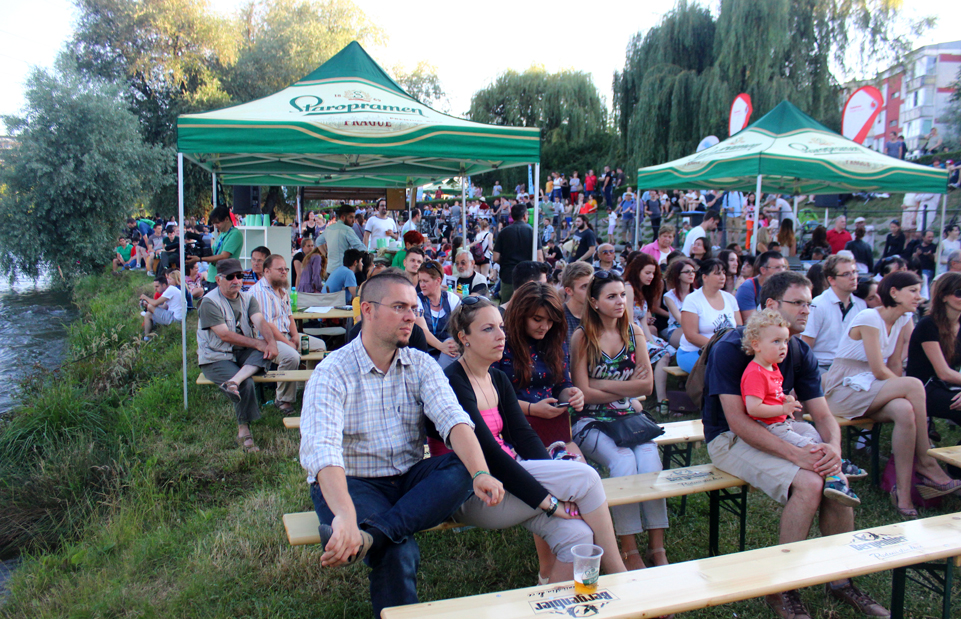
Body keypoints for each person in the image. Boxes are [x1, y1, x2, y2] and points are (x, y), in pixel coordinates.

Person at [299, 271, 504, 618]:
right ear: (368, 310)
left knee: (463, 467)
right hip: (353, 481)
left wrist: (481, 472)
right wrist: (345, 514)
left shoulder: (420, 363)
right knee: (399, 552)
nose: (411, 316)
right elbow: (323, 451)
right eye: (399, 307)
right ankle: (377, 534)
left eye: (413, 308)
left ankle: (371, 535)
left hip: (407, 477)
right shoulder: (332, 371)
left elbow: (454, 420)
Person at [702, 271, 889, 619]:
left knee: (833, 475)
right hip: (728, 438)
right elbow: (738, 422)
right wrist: (797, 456)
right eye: (799, 303)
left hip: (780, 427)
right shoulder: (733, 348)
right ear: (772, 305)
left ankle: (840, 579)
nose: (807, 310)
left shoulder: (798, 349)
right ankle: (783, 587)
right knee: (810, 482)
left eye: (810, 303)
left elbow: (823, 413)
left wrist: (834, 449)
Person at [437, 296, 629, 585]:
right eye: (488, 329)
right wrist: (549, 501)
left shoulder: (497, 378)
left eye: (501, 327)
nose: (500, 335)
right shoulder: (453, 381)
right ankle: (621, 578)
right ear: (464, 337)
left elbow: (524, 437)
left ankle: (551, 601)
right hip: (472, 490)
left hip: (509, 478)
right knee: (587, 478)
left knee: (578, 536)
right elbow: (488, 453)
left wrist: (554, 480)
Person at [822, 271, 961, 517]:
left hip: (871, 388)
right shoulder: (869, 317)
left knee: (905, 409)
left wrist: (902, 393)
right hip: (843, 390)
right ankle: (926, 461)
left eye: (919, 290)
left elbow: (895, 364)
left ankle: (903, 494)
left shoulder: (903, 319)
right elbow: (879, 369)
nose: (919, 296)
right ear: (894, 292)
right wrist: (906, 388)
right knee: (914, 386)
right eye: (913, 291)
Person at [569, 271, 669, 570]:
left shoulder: (634, 332)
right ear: (594, 302)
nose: (620, 302)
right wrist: (625, 388)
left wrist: (601, 383)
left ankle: (657, 547)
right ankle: (629, 548)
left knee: (650, 460)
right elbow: (583, 393)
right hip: (590, 420)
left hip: (628, 417)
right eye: (611, 296)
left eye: (622, 295)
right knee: (624, 461)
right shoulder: (582, 337)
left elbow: (646, 387)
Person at [742, 309, 860, 506]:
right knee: (808, 448)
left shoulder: (772, 367)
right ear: (756, 345)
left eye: (785, 341)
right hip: (769, 428)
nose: (783, 347)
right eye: (776, 341)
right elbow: (753, 408)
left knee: (810, 431)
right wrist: (782, 410)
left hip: (782, 423)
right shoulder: (756, 373)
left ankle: (833, 463)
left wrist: (785, 399)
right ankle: (835, 477)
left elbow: (772, 395)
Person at [197, 259, 279, 453]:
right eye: (230, 277)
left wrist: (271, 343)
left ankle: (233, 381)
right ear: (218, 280)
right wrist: (258, 343)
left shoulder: (248, 298)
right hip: (215, 356)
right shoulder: (208, 302)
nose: (236, 280)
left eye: (240, 276)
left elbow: (260, 322)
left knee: (266, 353)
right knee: (246, 383)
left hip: (240, 353)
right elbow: (224, 335)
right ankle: (244, 430)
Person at [906, 272, 961, 439]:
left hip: (947, 387)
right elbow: (943, 372)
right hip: (923, 389)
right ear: (943, 296)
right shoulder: (928, 325)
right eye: (959, 293)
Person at [624, 253, 675, 416]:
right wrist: (645, 341)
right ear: (637, 271)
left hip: (640, 332)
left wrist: (652, 341)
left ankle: (655, 395)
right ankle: (661, 400)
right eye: (647, 273)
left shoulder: (641, 291)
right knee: (663, 354)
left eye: (653, 273)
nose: (651, 277)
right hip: (629, 335)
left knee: (669, 351)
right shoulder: (628, 288)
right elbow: (628, 321)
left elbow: (643, 322)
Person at [799, 255, 865, 372]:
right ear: (831, 280)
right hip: (823, 366)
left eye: (854, 272)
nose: (853, 277)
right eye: (846, 274)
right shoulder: (818, 305)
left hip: (852, 366)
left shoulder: (861, 305)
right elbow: (806, 345)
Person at [677, 258, 741, 373]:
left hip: (726, 351)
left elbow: (739, 328)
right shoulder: (692, 300)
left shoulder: (730, 298)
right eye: (717, 273)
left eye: (723, 273)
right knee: (721, 369)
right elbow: (691, 336)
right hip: (694, 352)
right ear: (705, 277)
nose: (722, 277)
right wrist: (720, 346)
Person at [493, 203, 542, 302]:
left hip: (508, 276)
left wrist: (505, 262)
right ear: (525, 216)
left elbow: (495, 257)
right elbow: (539, 258)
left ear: (512, 216)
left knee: (507, 307)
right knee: (527, 307)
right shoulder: (532, 232)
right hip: (529, 277)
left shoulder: (504, 232)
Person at [416, 260, 462, 366]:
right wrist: (441, 346)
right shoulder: (417, 300)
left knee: (453, 344)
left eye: (425, 281)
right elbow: (422, 330)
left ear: (438, 281)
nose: (421, 285)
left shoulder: (452, 299)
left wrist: (452, 345)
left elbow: (460, 326)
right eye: (420, 281)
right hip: (424, 351)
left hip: (448, 351)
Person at [188, 205, 243, 285]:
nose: (216, 226)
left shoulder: (235, 234)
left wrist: (200, 259)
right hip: (213, 277)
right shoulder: (222, 233)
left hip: (224, 279)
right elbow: (213, 252)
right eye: (214, 223)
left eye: (218, 222)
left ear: (227, 219)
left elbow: (223, 256)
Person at [735, 251, 786, 323]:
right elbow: (751, 322)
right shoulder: (747, 288)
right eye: (777, 267)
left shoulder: (785, 287)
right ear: (763, 270)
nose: (782, 270)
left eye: (783, 267)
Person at [661, 258, 697, 350]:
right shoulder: (669, 296)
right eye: (687, 272)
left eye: (693, 271)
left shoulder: (698, 294)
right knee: (692, 337)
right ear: (678, 275)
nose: (691, 274)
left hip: (697, 329)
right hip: (676, 330)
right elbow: (679, 318)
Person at [139, 270, 186, 340]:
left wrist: (145, 298)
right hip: (174, 316)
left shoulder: (170, 290)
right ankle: (146, 337)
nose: (155, 289)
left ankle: (148, 334)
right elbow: (164, 307)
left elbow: (155, 303)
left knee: (150, 306)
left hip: (175, 318)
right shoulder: (170, 290)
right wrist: (147, 305)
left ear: (164, 285)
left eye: (157, 286)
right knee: (148, 314)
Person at [320, 205, 367, 273]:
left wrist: (325, 254)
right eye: (351, 217)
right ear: (342, 217)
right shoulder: (347, 230)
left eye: (354, 217)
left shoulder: (329, 228)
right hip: (343, 270)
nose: (353, 220)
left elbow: (319, 242)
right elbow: (361, 248)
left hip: (330, 269)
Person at [561, 261, 593, 347]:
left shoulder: (599, 314)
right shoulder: (559, 317)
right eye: (584, 286)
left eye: (592, 285)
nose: (590, 290)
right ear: (569, 291)